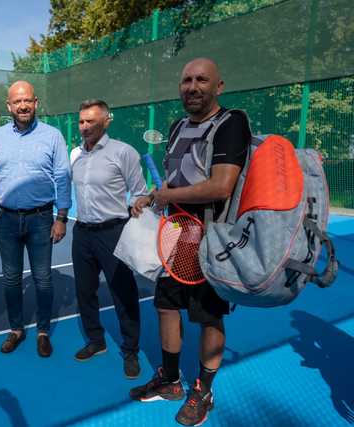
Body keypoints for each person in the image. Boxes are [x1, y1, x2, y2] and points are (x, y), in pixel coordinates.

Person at [129, 58, 251, 426]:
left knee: (208, 317)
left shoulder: (232, 123)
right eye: (186, 80)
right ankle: (170, 380)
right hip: (175, 235)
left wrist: (168, 196)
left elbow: (221, 185)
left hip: (213, 240)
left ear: (219, 86)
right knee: (165, 307)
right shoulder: (178, 126)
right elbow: (174, 182)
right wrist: (152, 197)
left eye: (201, 80)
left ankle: (204, 390)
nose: (192, 87)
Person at [0, 80, 71, 357]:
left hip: (41, 218)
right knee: (11, 279)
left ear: (36, 103)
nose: (23, 105)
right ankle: (16, 329)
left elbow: (62, 177)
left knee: (43, 279)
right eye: (17, 101)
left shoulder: (53, 136)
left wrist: (62, 217)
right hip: (6, 220)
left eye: (27, 101)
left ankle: (43, 331)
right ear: (8, 105)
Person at [70, 99, 147, 379]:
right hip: (82, 233)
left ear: (106, 121)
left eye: (91, 121)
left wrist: (139, 215)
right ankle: (96, 340)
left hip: (114, 232)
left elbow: (139, 192)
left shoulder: (124, 152)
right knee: (85, 291)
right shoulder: (76, 155)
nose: (85, 126)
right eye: (81, 121)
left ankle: (131, 350)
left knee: (123, 293)